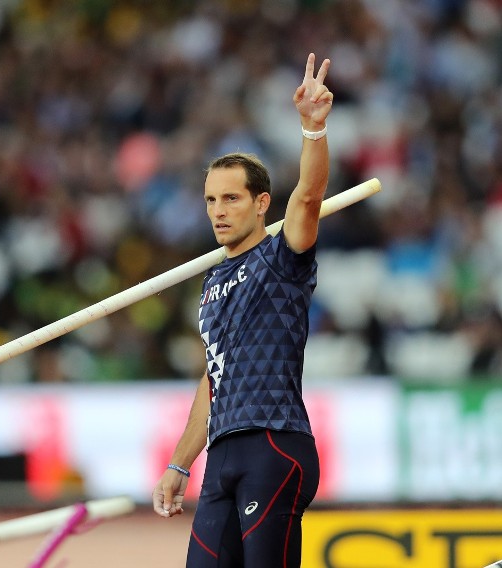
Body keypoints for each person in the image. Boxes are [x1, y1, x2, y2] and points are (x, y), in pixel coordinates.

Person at [152, 52, 334, 567]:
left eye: (231, 199)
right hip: (223, 456)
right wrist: (180, 464)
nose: (218, 211)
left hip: (274, 446)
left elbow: (308, 197)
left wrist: (311, 129)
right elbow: (213, 382)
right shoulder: (211, 285)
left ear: (260, 203)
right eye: (210, 201)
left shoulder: (281, 260)